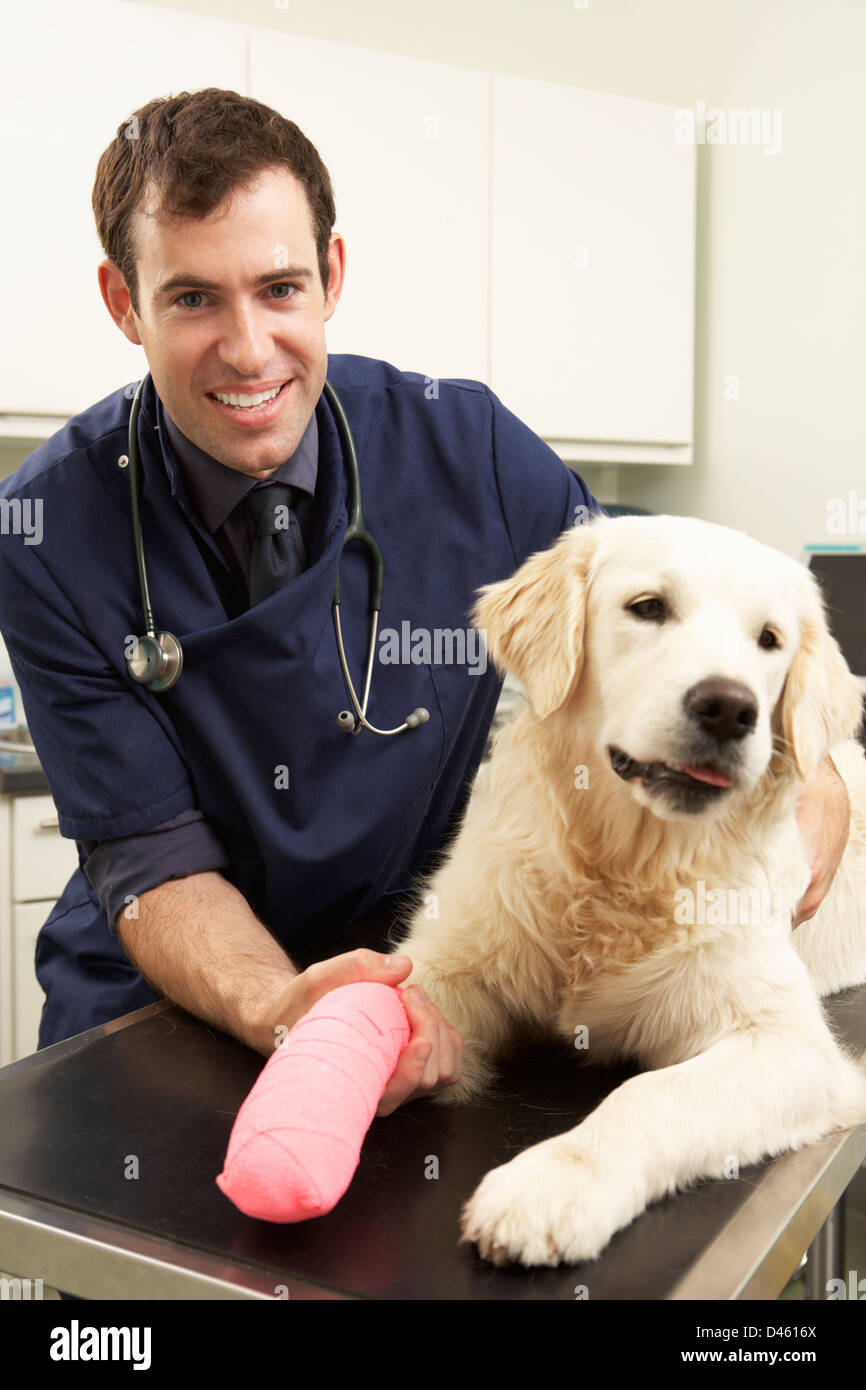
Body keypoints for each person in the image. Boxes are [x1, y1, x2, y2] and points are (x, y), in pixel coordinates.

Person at [0, 88, 849, 1126]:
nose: (248, 346)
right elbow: (149, 858)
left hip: (418, 985)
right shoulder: (46, 530)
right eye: (190, 299)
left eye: (278, 288)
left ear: (332, 276)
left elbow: (650, 599)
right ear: (122, 301)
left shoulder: (467, 449)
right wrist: (277, 1003)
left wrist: (817, 774)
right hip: (163, 1008)